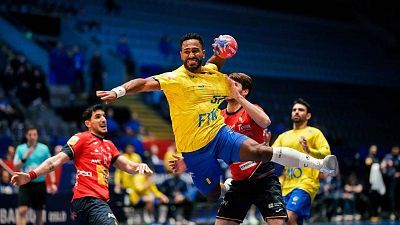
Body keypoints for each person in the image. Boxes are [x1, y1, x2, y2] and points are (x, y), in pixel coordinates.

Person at [96, 32, 338, 201]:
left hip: (219, 134)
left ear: (202, 52)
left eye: (195, 50)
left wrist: (224, 46)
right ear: (181, 54)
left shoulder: (213, 74)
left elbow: (218, 59)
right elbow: (143, 83)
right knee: (211, 195)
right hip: (194, 150)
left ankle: (320, 164)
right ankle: (228, 187)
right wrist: (119, 91)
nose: (191, 54)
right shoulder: (174, 79)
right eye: (186, 51)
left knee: (262, 152)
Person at [170, 72, 288, 225]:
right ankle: (226, 186)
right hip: (239, 183)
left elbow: (266, 121)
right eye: (227, 85)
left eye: (234, 85)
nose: (228, 88)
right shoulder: (218, 117)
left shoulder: (252, 110)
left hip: (263, 179)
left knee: (278, 223)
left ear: (244, 91)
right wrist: (188, 161)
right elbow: (209, 147)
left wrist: (239, 98)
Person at [11, 104, 153, 225]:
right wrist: (31, 175)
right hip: (90, 200)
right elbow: (55, 161)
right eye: (97, 116)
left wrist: (139, 166)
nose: (103, 119)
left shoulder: (109, 146)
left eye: (104, 116)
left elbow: (127, 165)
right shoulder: (81, 139)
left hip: (87, 204)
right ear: (88, 123)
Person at [271, 98, 332, 225]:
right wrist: (266, 145)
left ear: (308, 115)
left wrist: (309, 150)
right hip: (285, 186)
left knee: (288, 217)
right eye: (294, 110)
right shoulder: (283, 136)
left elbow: (326, 154)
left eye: (301, 110)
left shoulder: (315, 133)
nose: (296, 112)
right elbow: (271, 154)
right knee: (287, 221)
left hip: (306, 183)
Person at [12, 126, 57, 225]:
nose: (32, 137)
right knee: (22, 210)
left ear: (37, 136)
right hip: (25, 184)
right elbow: (16, 166)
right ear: (26, 136)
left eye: (34, 135)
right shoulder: (20, 148)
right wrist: (25, 157)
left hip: (40, 184)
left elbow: (51, 166)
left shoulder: (44, 148)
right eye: (30, 135)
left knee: (39, 212)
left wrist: (53, 183)